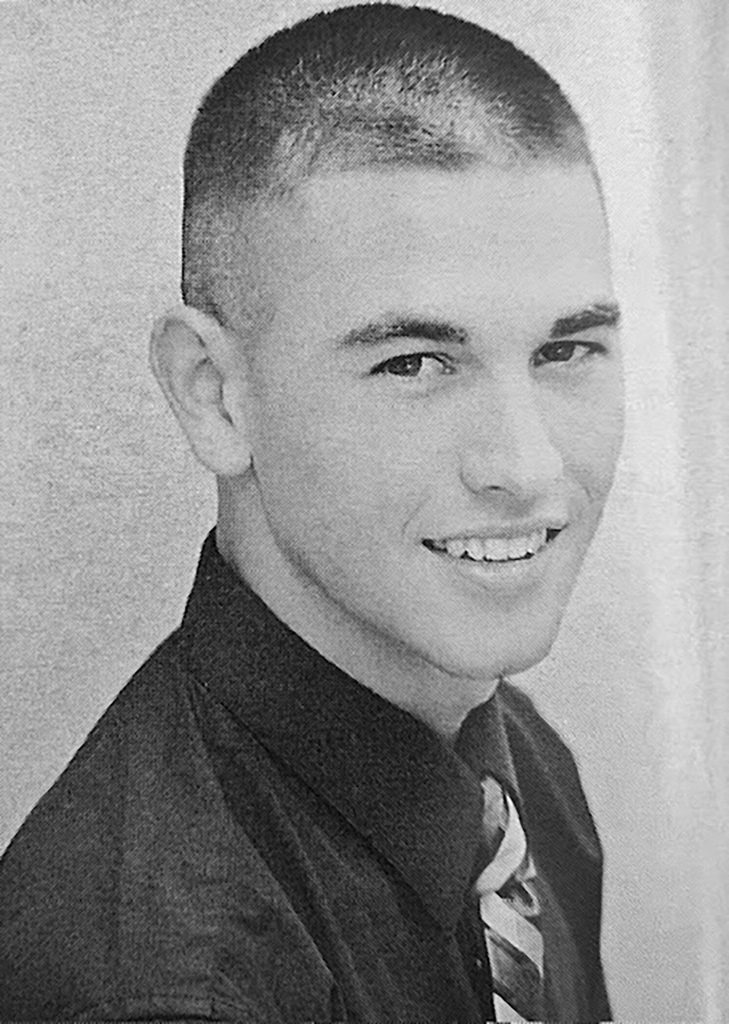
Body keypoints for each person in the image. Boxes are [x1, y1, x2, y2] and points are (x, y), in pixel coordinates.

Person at [0, 3, 624, 1021]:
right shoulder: (160, 985)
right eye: (415, 361)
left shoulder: (521, 771)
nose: (526, 465)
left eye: (565, 351)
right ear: (215, 394)